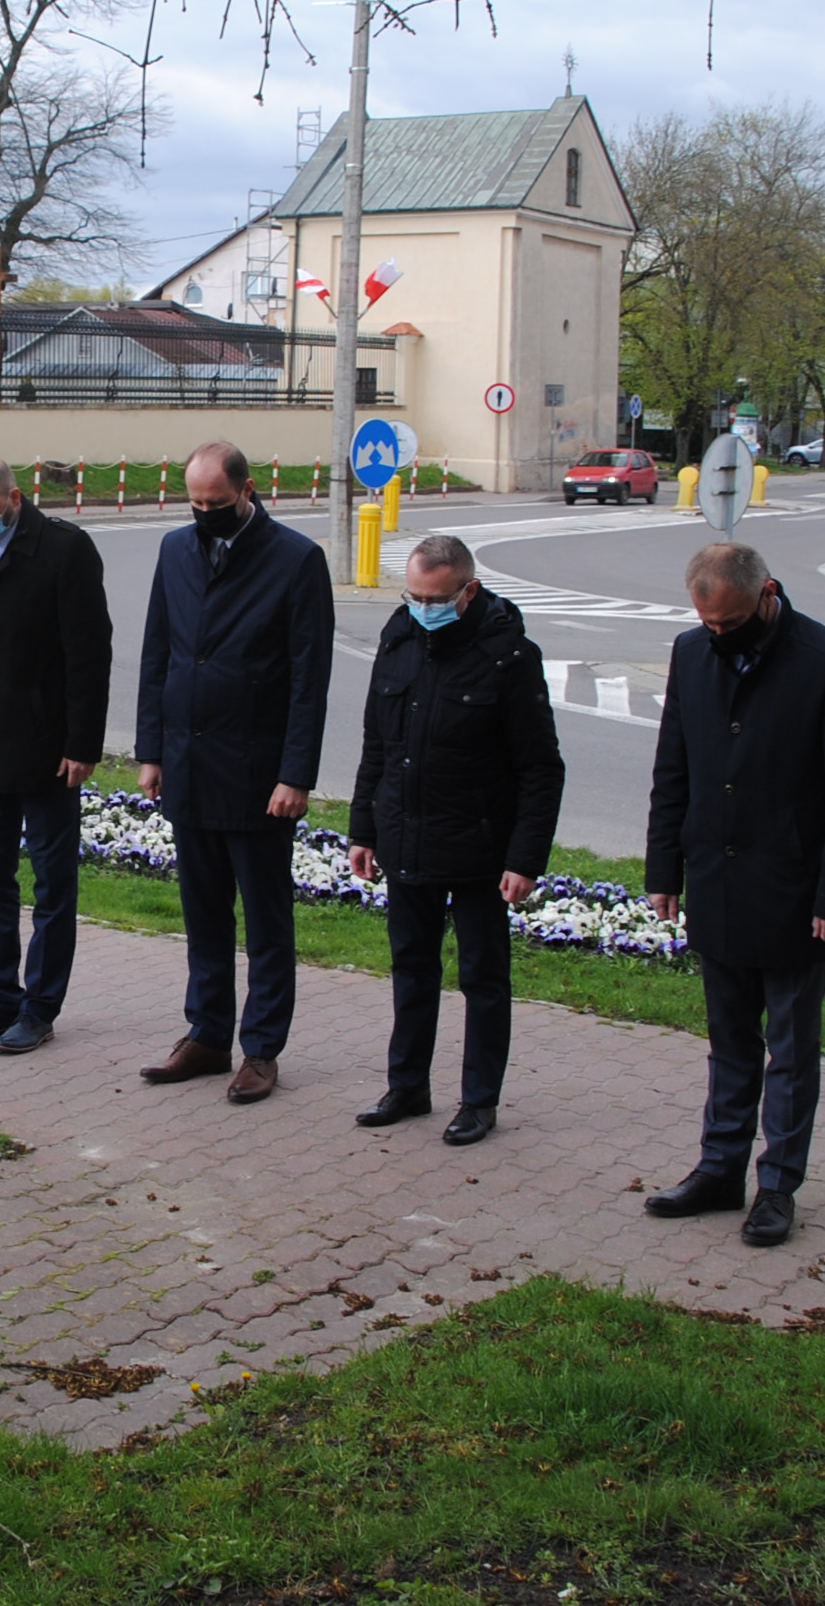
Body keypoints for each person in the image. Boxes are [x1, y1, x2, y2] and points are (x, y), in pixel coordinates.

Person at [641, 541, 825, 1247]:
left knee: (790, 1048)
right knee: (729, 1044)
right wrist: (664, 870)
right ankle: (720, 1169)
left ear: (768, 594)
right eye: (709, 623)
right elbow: (673, 768)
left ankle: (777, 1185)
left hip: (797, 894)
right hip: (717, 883)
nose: (720, 635)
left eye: (733, 622)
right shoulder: (691, 654)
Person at [346, 535, 566, 1146]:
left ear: (468, 591)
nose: (424, 608)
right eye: (414, 596)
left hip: (480, 847)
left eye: (437, 598)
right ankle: (408, 1085)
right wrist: (363, 829)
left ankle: (479, 1100)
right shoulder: (397, 638)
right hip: (406, 837)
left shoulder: (510, 656)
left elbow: (541, 768)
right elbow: (377, 747)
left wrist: (525, 859)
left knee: (482, 978)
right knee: (411, 969)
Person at [134, 442, 333, 1104]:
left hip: (259, 777)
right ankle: (207, 1034)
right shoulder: (175, 550)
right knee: (203, 913)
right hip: (188, 764)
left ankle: (262, 1049)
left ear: (247, 492)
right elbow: (157, 651)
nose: (205, 514)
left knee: (267, 921)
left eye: (217, 504)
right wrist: (151, 751)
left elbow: (309, 680)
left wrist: (295, 773)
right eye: (194, 503)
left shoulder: (297, 560)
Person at [0, 456, 113, 1054]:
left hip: (47, 750)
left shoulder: (65, 549)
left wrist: (83, 744)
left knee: (52, 886)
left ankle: (40, 1007)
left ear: (15, 499)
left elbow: (90, 654)